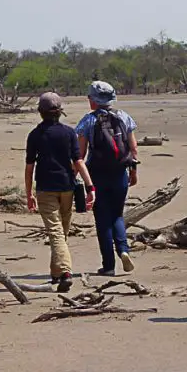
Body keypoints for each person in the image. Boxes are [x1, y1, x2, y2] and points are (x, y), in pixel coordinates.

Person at [25, 92, 95, 292]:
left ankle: (65, 272)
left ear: (41, 112)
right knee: (60, 233)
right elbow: (79, 161)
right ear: (59, 112)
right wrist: (90, 187)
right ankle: (56, 274)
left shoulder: (35, 135)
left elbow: (29, 167)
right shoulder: (68, 133)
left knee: (56, 232)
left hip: (46, 189)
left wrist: (29, 193)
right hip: (67, 187)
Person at [75, 80, 138, 276]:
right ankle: (124, 250)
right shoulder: (124, 117)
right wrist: (133, 172)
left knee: (102, 219)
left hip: (97, 175)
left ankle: (109, 266)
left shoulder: (88, 121)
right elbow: (133, 149)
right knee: (118, 215)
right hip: (120, 173)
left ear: (93, 101)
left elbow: (80, 154)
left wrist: (76, 177)